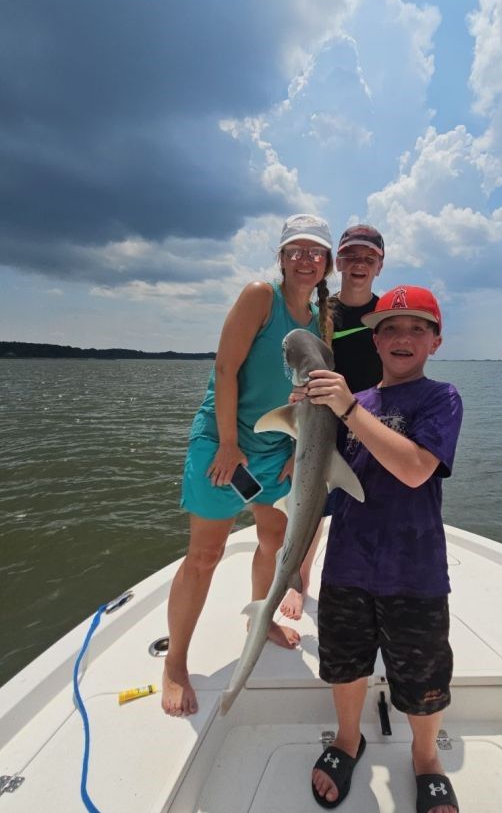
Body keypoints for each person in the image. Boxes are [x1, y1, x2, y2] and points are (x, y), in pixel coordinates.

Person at [162, 214, 334, 716]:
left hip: (277, 447)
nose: (306, 260)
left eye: (316, 252)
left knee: (273, 542)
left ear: (326, 265)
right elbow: (224, 367)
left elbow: (311, 399)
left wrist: (298, 453)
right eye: (296, 251)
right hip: (226, 443)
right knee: (205, 556)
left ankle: (259, 618)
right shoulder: (262, 296)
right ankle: (175, 662)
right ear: (281, 258)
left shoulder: (322, 320)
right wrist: (229, 446)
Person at [306, 285, 463, 812]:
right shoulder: (351, 403)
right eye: (390, 328)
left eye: (418, 328)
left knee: (421, 679)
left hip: (413, 571)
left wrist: (347, 407)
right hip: (347, 563)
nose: (403, 337)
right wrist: (304, 424)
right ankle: (348, 739)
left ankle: (425, 759)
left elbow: (416, 469)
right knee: (345, 666)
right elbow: (324, 481)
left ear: (436, 342)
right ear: (374, 340)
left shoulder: (441, 398)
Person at [279, 224, 384, 621]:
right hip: (324, 423)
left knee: (370, 505)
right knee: (314, 505)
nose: (359, 264)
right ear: (337, 262)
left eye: (368, 258)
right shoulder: (321, 312)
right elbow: (299, 372)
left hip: (372, 420)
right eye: (351, 256)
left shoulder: (385, 312)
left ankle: (368, 578)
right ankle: (300, 580)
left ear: (380, 265)